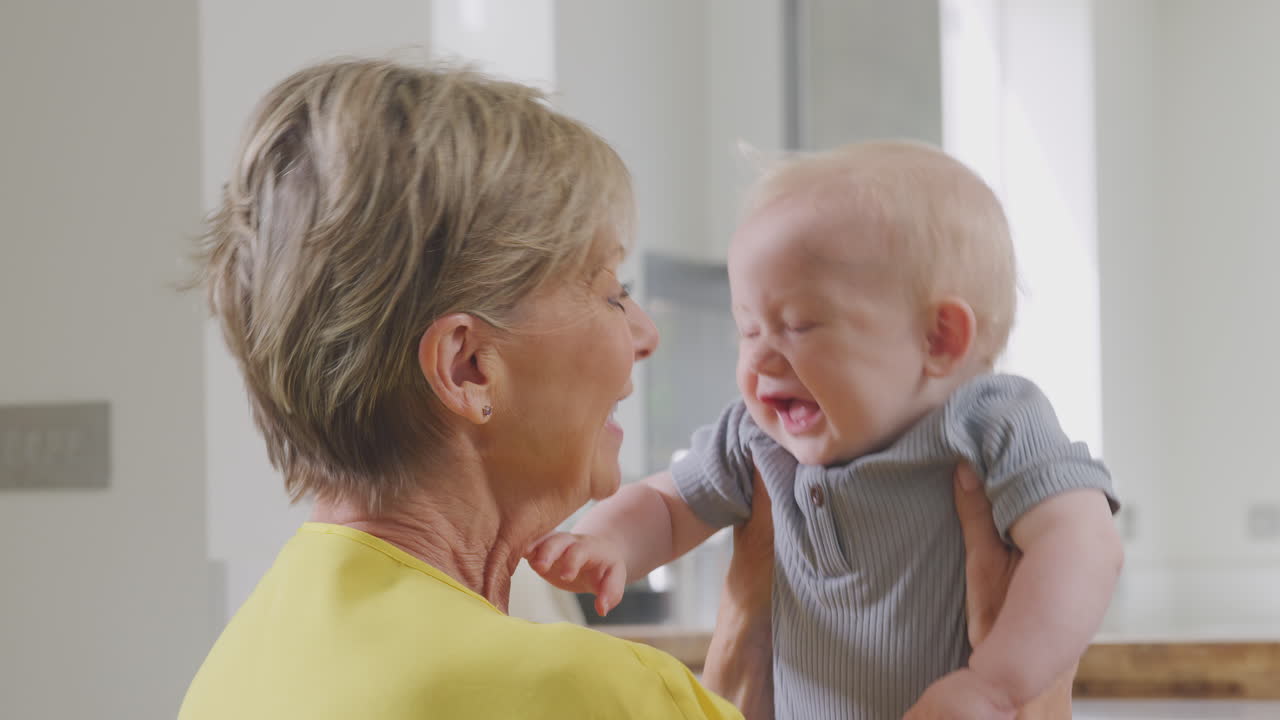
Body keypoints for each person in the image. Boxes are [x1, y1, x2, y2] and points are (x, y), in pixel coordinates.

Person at [178, 59, 1074, 720]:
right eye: (611, 291)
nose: (645, 333)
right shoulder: (583, 693)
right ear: (468, 368)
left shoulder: (239, 665)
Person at [528, 141, 1123, 719]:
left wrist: (996, 684)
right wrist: (607, 541)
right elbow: (667, 503)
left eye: (798, 326)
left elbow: (1083, 543)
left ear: (939, 339)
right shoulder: (757, 437)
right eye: (748, 330)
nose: (760, 359)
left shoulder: (992, 420)